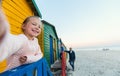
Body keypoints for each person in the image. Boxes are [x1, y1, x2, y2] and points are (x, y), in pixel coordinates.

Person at [0, 2, 43, 71]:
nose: (37, 28)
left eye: (39, 27)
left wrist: (28, 59)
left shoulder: (35, 41)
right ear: (24, 26)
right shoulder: (21, 39)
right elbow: (8, 44)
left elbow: (40, 55)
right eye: (34, 24)